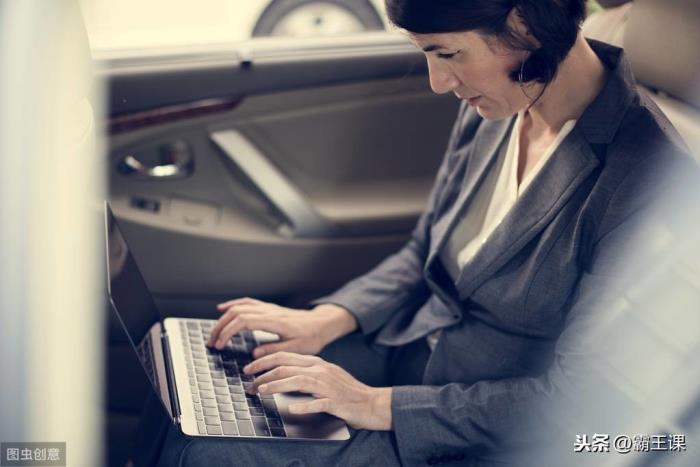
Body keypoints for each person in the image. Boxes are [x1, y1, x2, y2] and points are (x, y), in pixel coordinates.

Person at [145, 0, 695, 465]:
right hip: (409, 353)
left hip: (473, 427)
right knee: (197, 379)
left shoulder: (646, 176)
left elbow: (578, 399)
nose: (438, 83)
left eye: (448, 54)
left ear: (525, 26)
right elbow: (423, 253)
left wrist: (374, 404)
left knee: (207, 448)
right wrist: (325, 320)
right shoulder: (502, 104)